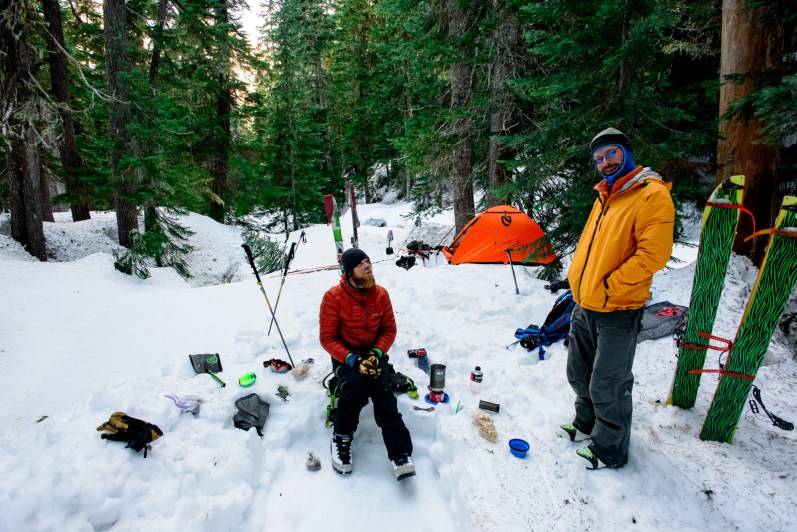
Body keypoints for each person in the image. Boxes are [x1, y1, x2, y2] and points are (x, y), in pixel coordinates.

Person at [562, 127, 675, 469]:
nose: (605, 162)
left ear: (626, 152)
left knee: (609, 382)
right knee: (579, 372)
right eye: (598, 158)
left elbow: (652, 255)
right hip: (585, 303)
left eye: (610, 153)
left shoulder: (650, 194)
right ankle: (586, 422)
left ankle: (610, 448)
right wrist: (577, 280)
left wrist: (611, 286)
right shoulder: (606, 195)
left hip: (618, 308)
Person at [319, 248, 415, 480]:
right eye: (361, 263)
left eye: (369, 261)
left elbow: (389, 330)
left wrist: (377, 353)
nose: (368, 266)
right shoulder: (333, 297)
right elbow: (327, 338)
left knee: (383, 393)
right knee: (354, 389)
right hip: (347, 357)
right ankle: (341, 439)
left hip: (374, 355)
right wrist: (352, 359)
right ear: (349, 271)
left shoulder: (381, 294)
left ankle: (400, 453)